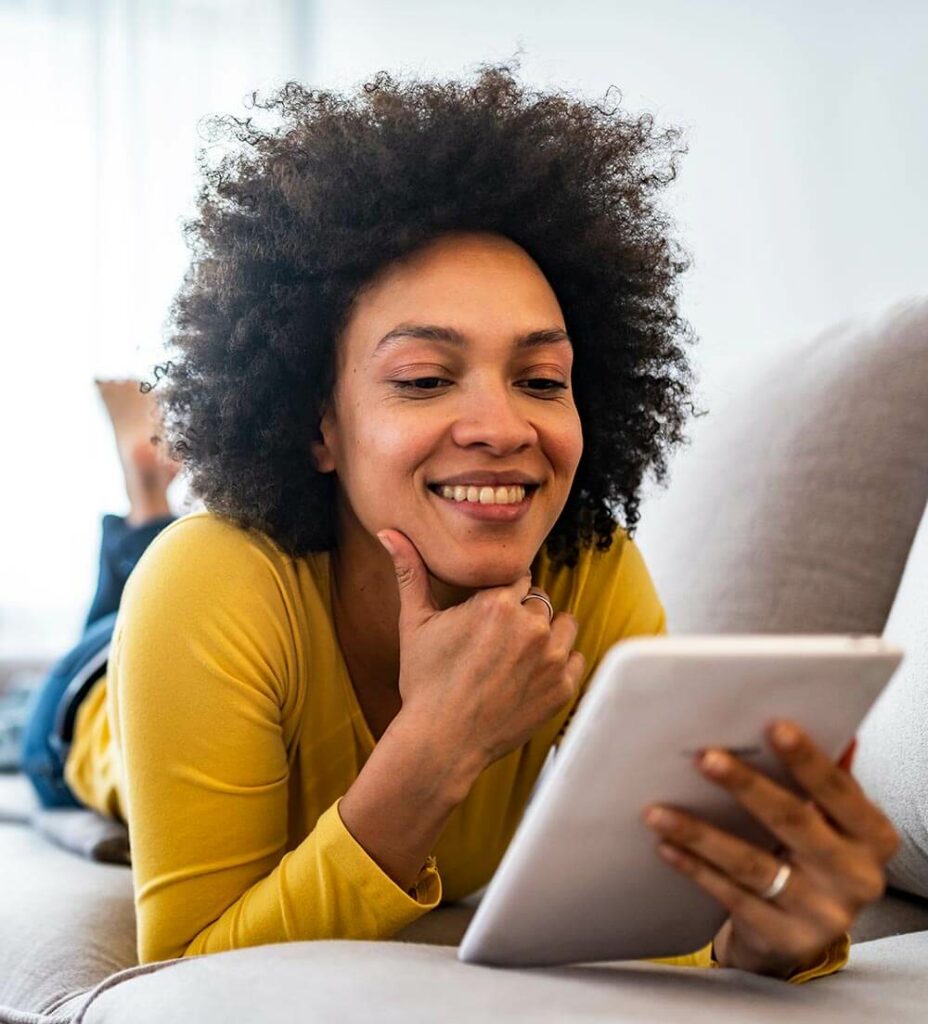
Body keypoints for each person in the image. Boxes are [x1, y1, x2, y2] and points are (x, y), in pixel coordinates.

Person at [23, 62, 898, 980]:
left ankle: (144, 490)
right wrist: (434, 748)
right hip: (84, 713)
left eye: (541, 380)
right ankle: (147, 502)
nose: (501, 427)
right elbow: (185, 986)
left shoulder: (588, 571)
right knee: (98, 633)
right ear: (319, 423)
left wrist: (764, 935)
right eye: (425, 379)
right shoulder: (209, 583)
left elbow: (665, 927)